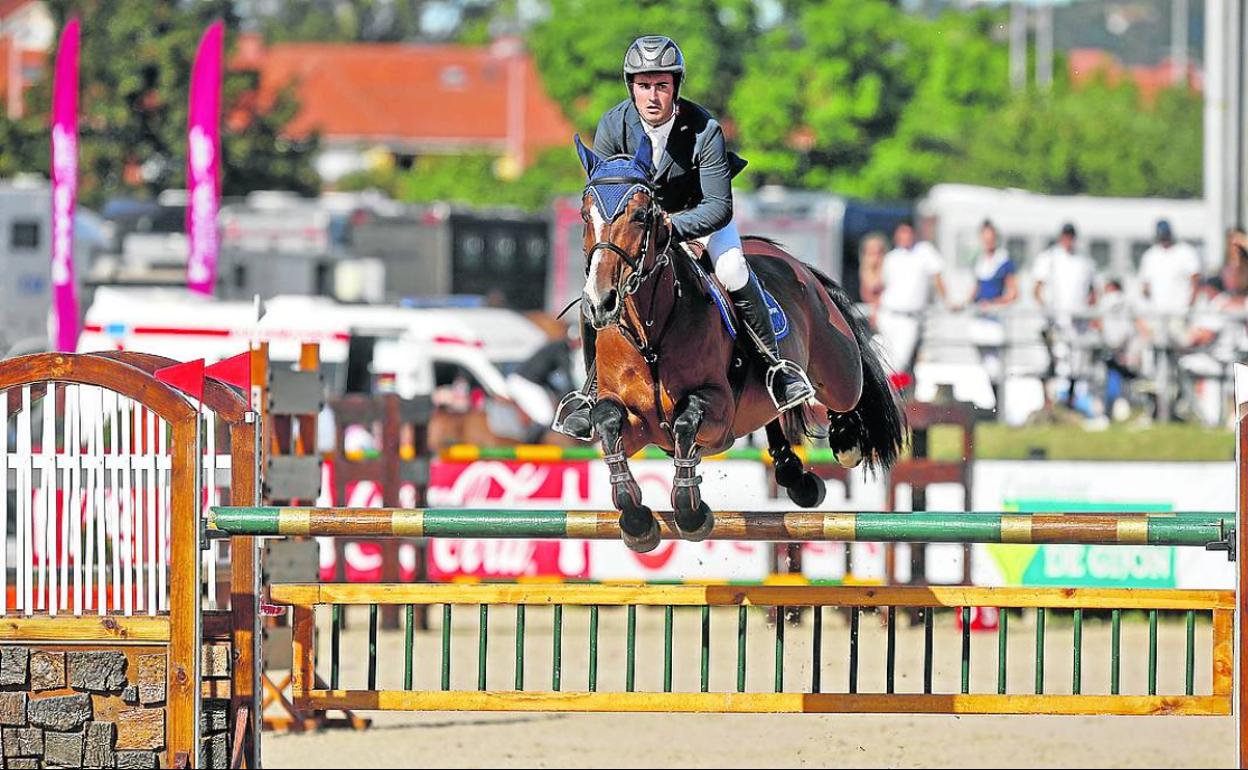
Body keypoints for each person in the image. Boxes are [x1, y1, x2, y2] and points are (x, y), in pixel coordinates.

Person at [555, 35, 814, 441]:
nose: (653, 96)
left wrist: (675, 229)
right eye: (644, 86)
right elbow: (606, 197)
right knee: (596, 289)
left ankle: (776, 369)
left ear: (675, 86)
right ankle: (591, 392)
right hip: (637, 230)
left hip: (699, 219)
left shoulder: (704, 129)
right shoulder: (612, 125)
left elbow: (718, 206)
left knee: (731, 269)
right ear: (632, 88)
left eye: (662, 85)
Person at [1032, 223, 1097, 409]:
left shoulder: (1084, 262)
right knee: (1053, 362)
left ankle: (1069, 402)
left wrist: (1088, 313)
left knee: (1076, 365)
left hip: (1077, 324)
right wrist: (1047, 312)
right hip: (1055, 322)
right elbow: (1037, 289)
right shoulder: (1049, 258)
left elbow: (1093, 292)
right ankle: (1049, 403)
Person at [871, 219, 948, 373]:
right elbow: (882, 287)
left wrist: (947, 301)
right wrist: (875, 310)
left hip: (909, 318)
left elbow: (937, 276)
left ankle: (892, 393)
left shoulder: (924, 251)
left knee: (898, 362)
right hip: (888, 314)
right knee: (881, 359)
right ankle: (887, 393)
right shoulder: (891, 257)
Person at [965, 220, 1018, 399]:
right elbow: (976, 288)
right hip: (980, 316)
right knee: (985, 361)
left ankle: (999, 401)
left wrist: (994, 303)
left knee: (996, 362)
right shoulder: (979, 260)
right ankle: (992, 399)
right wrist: (964, 303)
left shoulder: (1003, 261)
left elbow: (1013, 293)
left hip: (994, 317)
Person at [1138, 219, 1200, 338]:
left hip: (1180, 311)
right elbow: (1145, 285)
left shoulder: (1185, 252)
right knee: (1156, 345)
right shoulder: (1150, 255)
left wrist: (1191, 305)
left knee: (1179, 344)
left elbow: (1195, 280)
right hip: (1157, 313)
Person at [857, 232, 887, 305]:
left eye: (878, 253)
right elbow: (866, 295)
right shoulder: (864, 271)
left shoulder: (888, 271)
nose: (875, 258)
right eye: (870, 253)